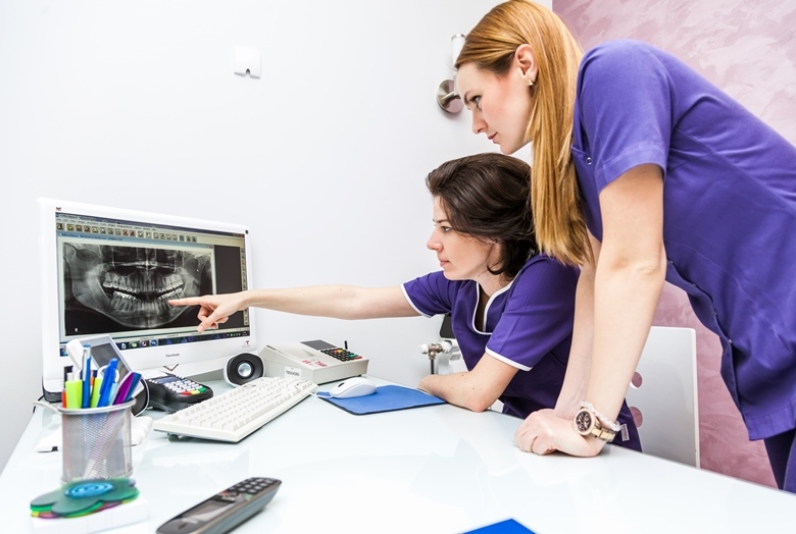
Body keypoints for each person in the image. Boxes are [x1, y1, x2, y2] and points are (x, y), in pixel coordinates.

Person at [454, 0, 796, 491]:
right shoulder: (577, 166)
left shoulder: (613, 71)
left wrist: (591, 426)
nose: (474, 123)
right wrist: (568, 412)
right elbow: (595, 280)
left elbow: (636, 263)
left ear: (524, 64)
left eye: (475, 99)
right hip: (764, 343)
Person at [169, 153, 641, 451]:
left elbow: (478, 392)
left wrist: (429, 382)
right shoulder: (462, 283)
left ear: (495, 232)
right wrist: (249, 298)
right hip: (523, 436)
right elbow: (353, 300)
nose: (432, 242)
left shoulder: (548, 275)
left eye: (446, 228)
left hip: (591, 445)